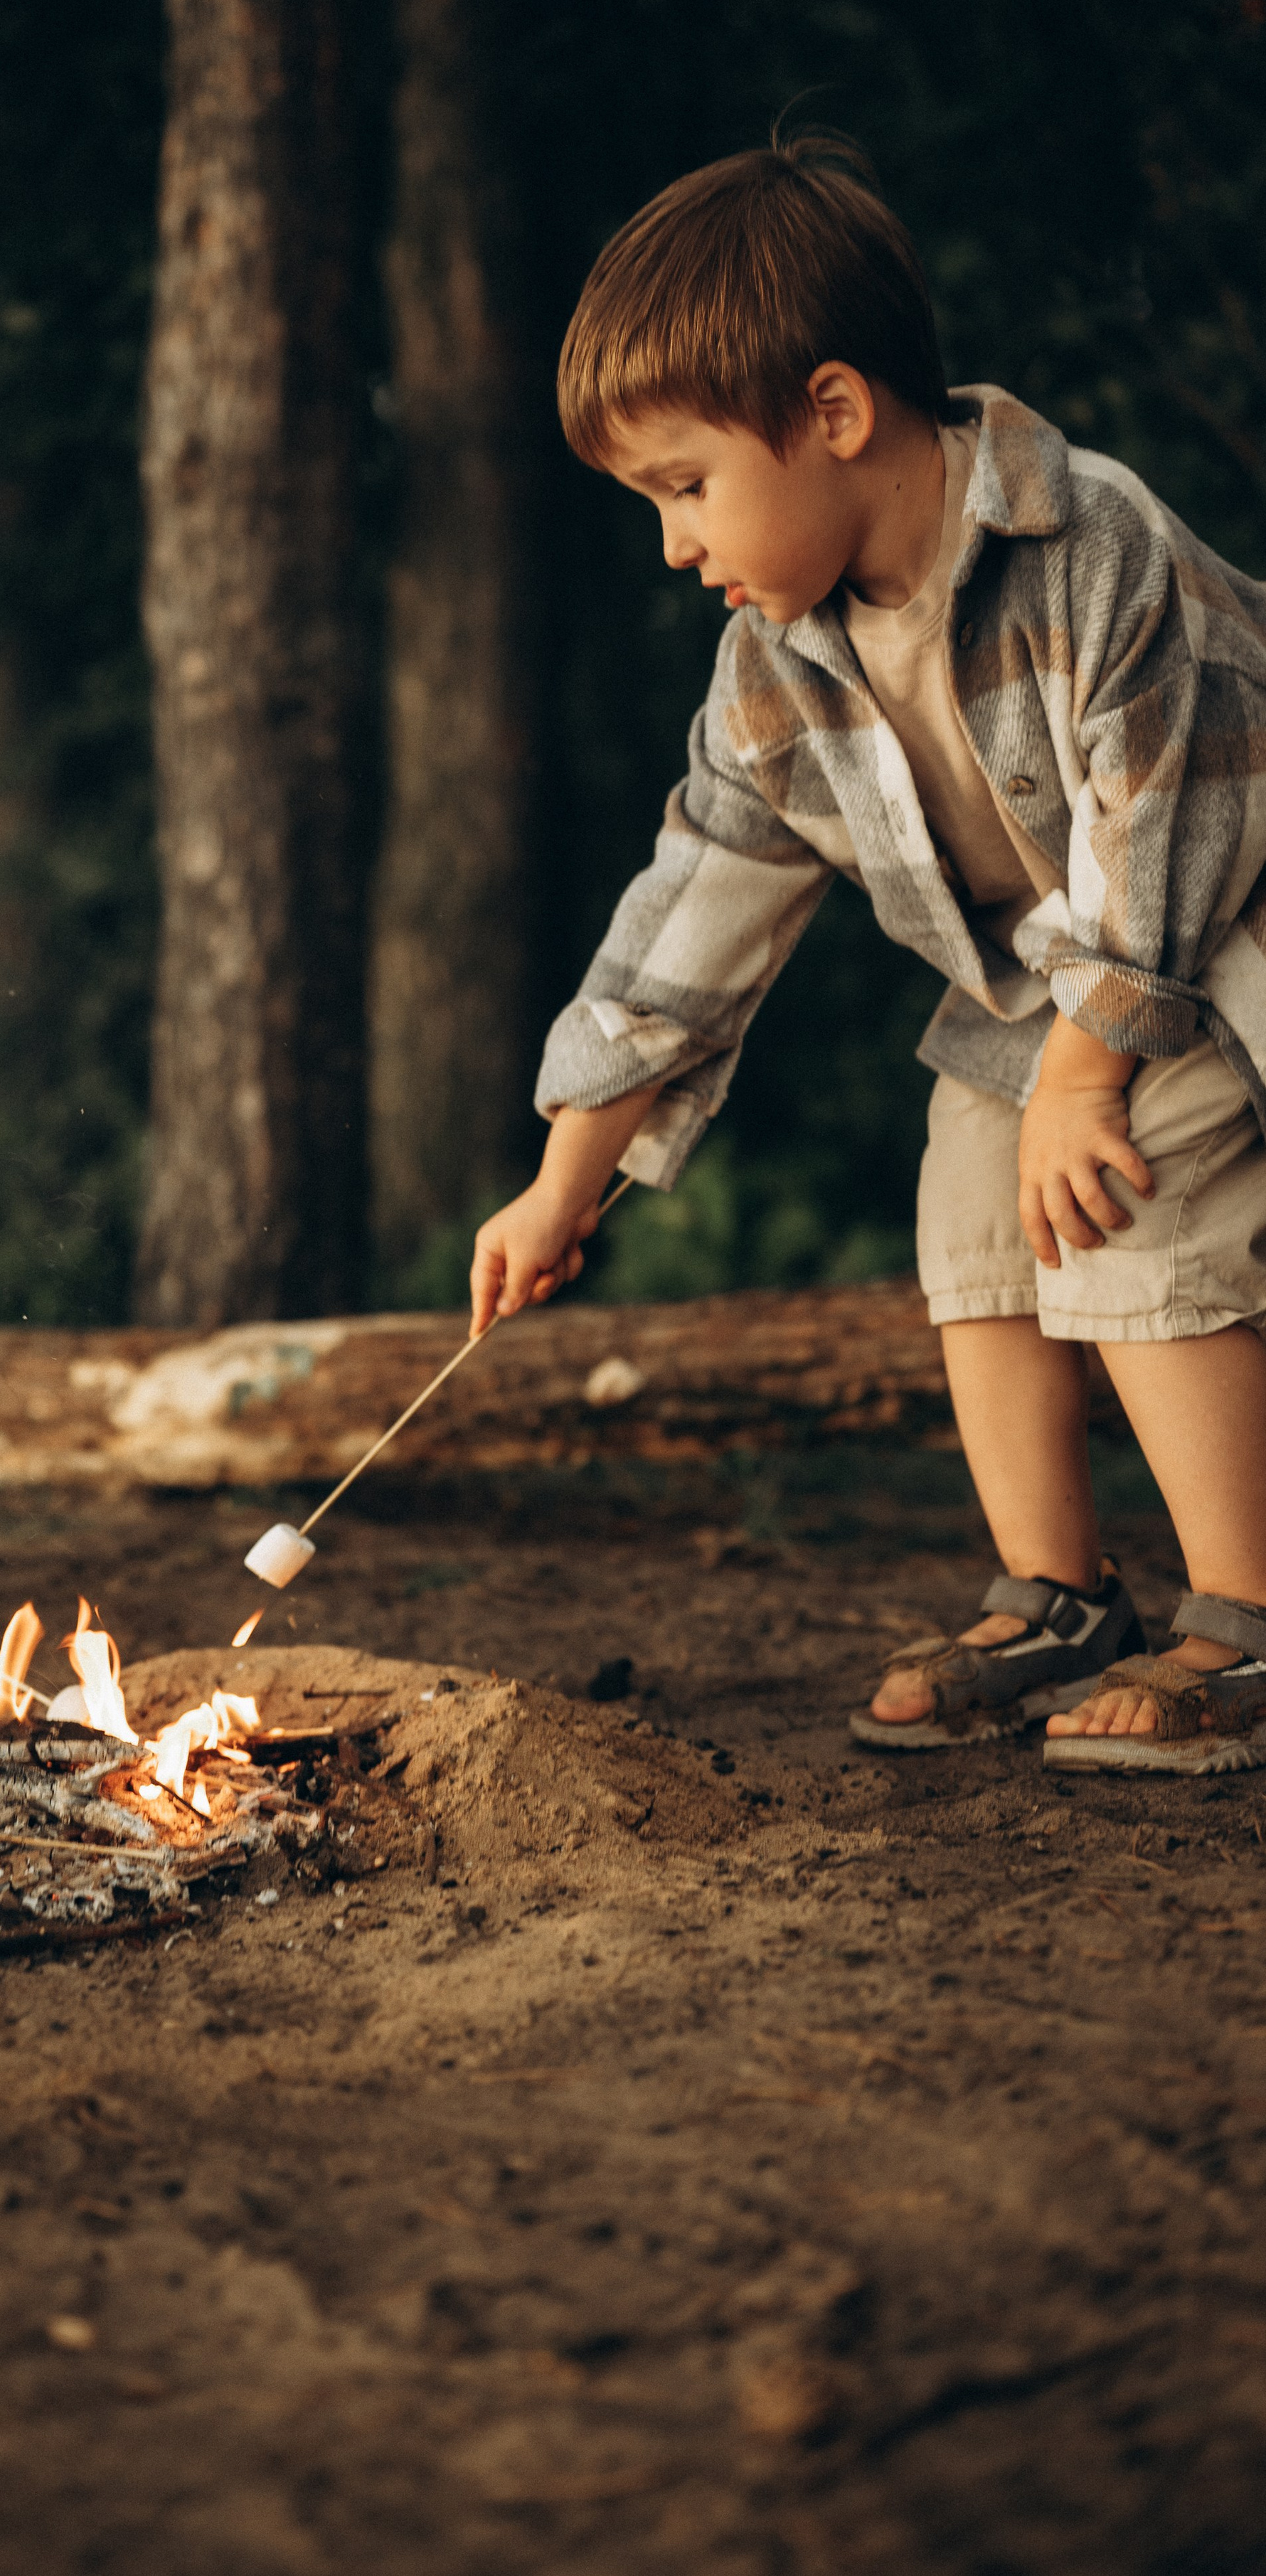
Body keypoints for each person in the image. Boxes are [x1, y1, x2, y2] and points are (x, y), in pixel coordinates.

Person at [471, 132, 1266, 1777]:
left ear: (831, 416)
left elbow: (1166, 827)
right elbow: (694, 909)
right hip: (1043, 984)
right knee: (974, 1208)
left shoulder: (1089, 540)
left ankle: (1243, 1614)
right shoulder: (775, 665)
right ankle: (1057, 1592)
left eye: (684, 487)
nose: (673, 545)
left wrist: (1087, 1068)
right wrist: (565, 1182)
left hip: (1213, 942)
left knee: (1124, 1196)